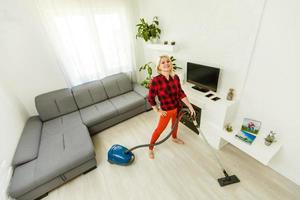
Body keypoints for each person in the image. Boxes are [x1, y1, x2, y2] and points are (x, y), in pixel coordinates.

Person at [147, 55, 196, 159]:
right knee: (159, 130)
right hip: (166, 111)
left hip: (178, 108)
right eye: (162, 62)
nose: (166, 64)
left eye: (167, 61)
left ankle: (174, 138)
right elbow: (150, 98)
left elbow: (181, 93)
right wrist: (157, 110)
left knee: (175, 125)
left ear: (171, 64)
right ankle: (150, 148)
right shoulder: (156, 81)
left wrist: (190, 106)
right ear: (159, 66)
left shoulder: (175, 77)